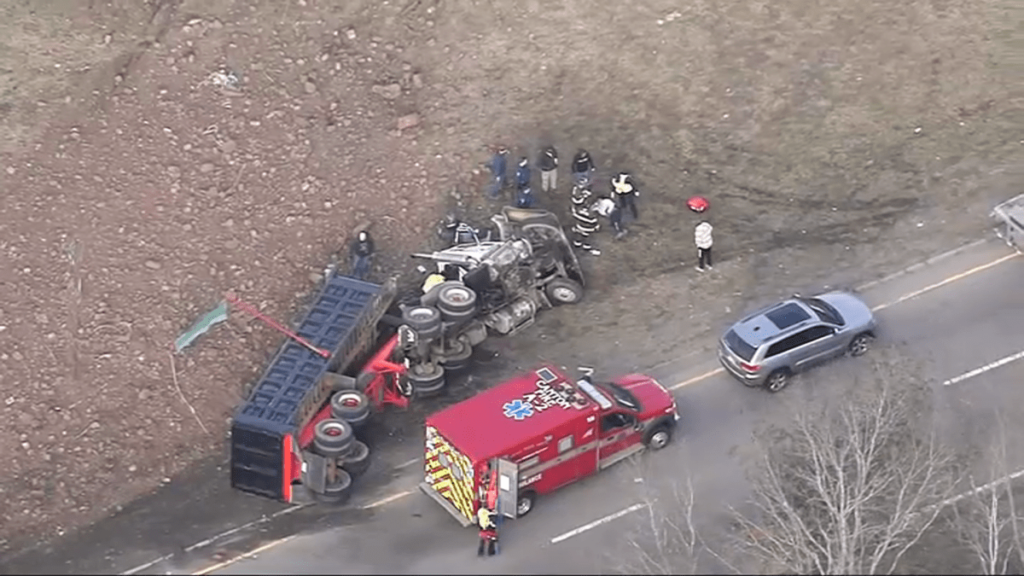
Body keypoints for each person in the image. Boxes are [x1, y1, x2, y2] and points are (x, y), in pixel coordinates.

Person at [571, 186, 601, 256]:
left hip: (579, 226)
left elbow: (575, 215)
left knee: (578, 236)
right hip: (587, 229)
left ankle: (576, 245)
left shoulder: (579, 211)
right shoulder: (592, 214)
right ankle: (586, 247)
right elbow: (593, 222)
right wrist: (596, 227)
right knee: (586, 238)